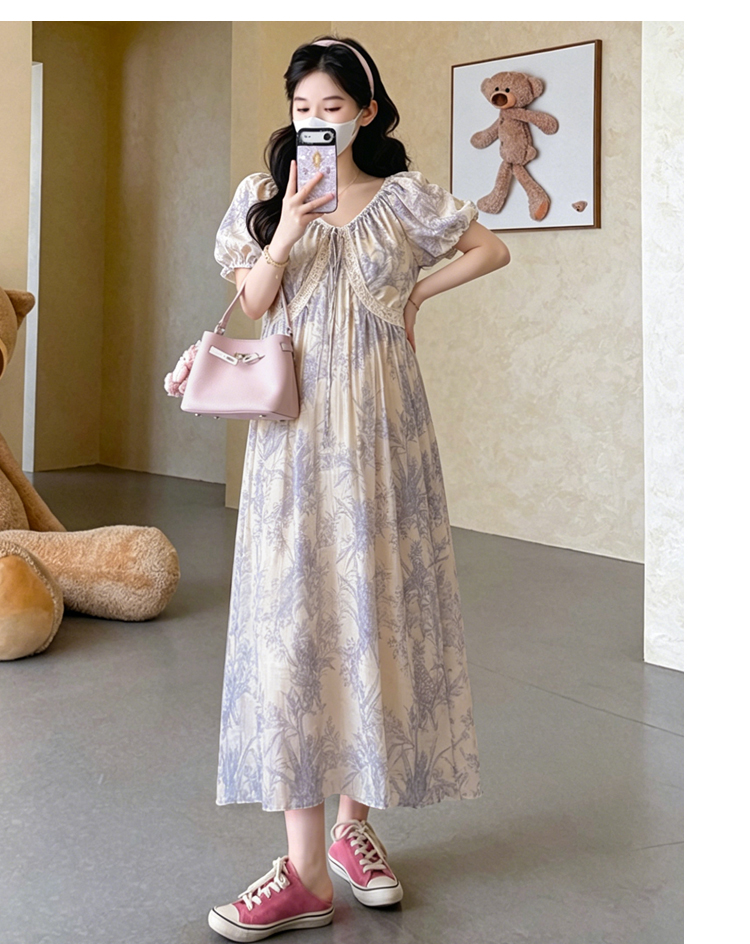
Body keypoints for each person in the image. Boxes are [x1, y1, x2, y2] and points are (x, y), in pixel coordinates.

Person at [208, 34, 510, 943]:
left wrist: (417, 296)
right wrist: (289, 229)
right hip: (295, 442)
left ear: (367, 112)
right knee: (297, 625)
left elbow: (490, 248)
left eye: (333, 108)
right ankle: (302, 868)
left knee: (371, 615)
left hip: (386, 439)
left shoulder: (406, 197)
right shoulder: (263, 198)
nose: (316, 122)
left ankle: (352, 832)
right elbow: (254, 303)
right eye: (302, 108)